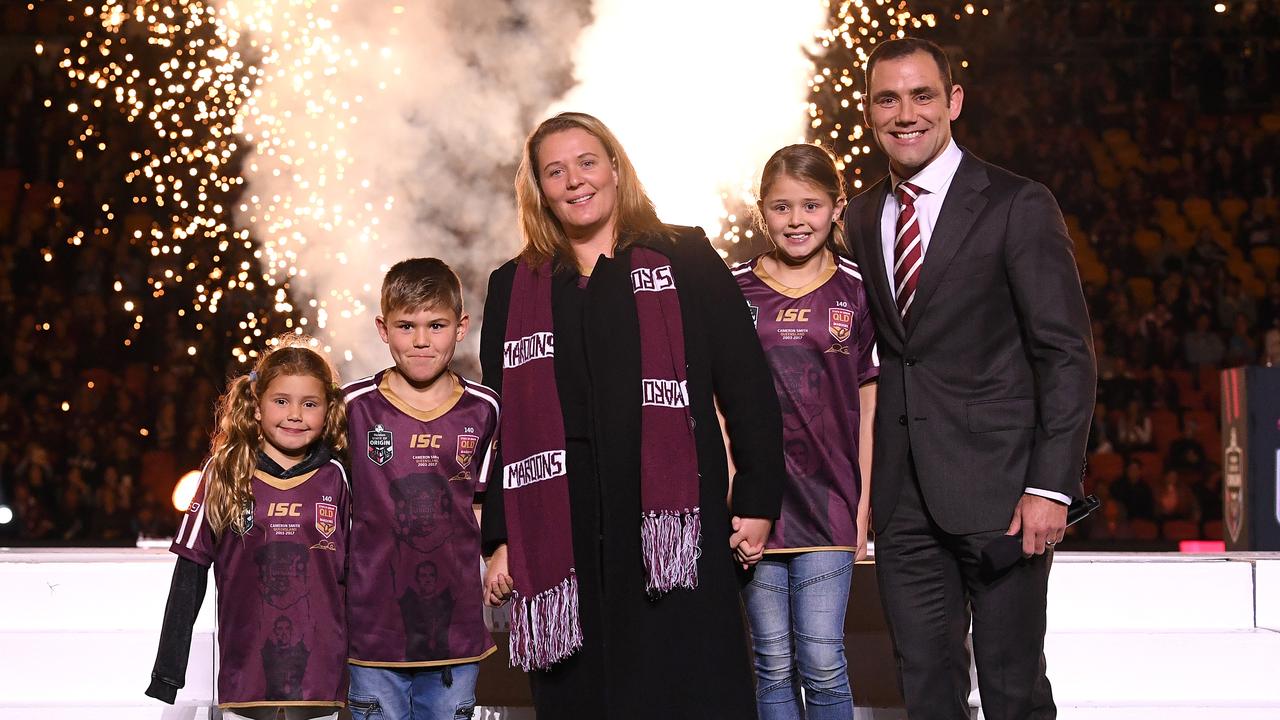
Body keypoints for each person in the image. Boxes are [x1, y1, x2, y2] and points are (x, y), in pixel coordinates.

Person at [478, 111, 784, 719]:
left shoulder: (686, 256)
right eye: (555, 171)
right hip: (562, 530)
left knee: (686, 692)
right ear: (539, 189)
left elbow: (747, 384)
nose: (575, 181)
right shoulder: (513, 287)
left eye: (587, 162)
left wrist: (756, 498)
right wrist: (502, 537)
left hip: (674, 524)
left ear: (616, 168)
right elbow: (503, 425)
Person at [842, 38, 1096, 719]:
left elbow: (1066, 354)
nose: (906, 113)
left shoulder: (1018, 203)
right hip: (903, 502)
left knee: (1013, 688)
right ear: (869, 111)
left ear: (953, 101)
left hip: (1004, 492)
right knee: (925, 686)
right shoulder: (864, 216)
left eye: (922, 95)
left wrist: (1051, 488)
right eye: (887, 98)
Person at [733, 143, 878, 719]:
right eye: (781, 207)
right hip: (757, 503)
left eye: (811, 205)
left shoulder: (858, 287)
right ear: (760, 211)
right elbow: (719, 404)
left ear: (837, 207)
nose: (797, 220)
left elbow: (870, 397)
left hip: (830, 497)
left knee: (821, 661)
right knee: (770, 662)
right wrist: (732, 496)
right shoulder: (733, 286)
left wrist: (865, 497)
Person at [146, 337, 351, 720]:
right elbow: (189, 574)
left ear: (328, 410)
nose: (294, 415)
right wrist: (168, 673)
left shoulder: (337, 477)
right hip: (246, 677)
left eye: (309, 404)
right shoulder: (225, 471)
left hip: (321, 679)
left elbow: (358, 576)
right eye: (280, 401)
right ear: (256, 406)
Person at [341, 258, 500, 720]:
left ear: (461, 327)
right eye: (406, 326)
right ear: (382, 328)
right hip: (372, 631)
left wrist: (500, 552)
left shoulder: (484, 408)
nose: (422, 340)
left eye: (437, 324)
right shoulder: (352, 408)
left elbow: (486, 503)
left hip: (455, 632)